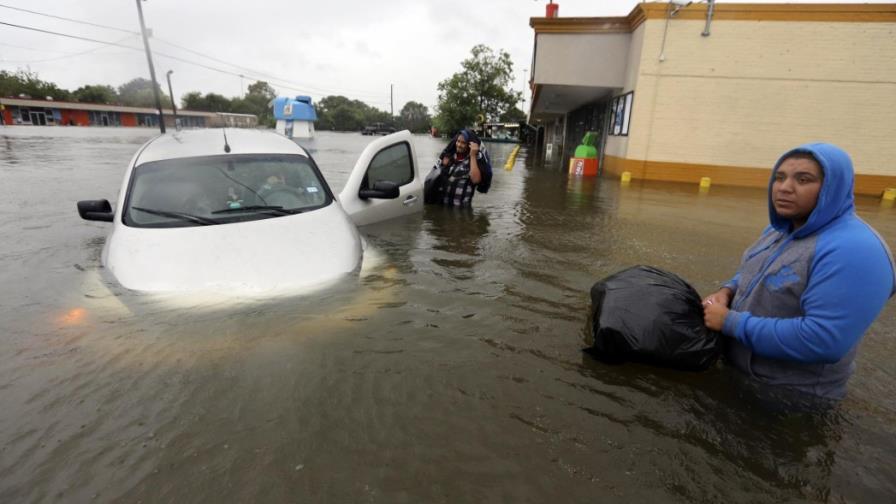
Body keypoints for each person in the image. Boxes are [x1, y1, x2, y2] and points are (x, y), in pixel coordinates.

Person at [702, 143, 895, 400]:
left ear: (832, 187)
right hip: (741, 375)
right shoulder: (780, 230)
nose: (784, 187)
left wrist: (729, 322)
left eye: (803, 179)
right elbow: (758, 273)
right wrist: (727, 290)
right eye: (779, 177)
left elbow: (823, 340)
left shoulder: (855, 250)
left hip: (789, 398)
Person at [434, 129, 492, 207]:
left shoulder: (472, 161)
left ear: (469, 145)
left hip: (462, 211)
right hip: (443, 207)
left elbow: (475, 180)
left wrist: (473, 155)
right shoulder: (450, 157)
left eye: (463, 143)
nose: (459, 145)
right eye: (458, 141)